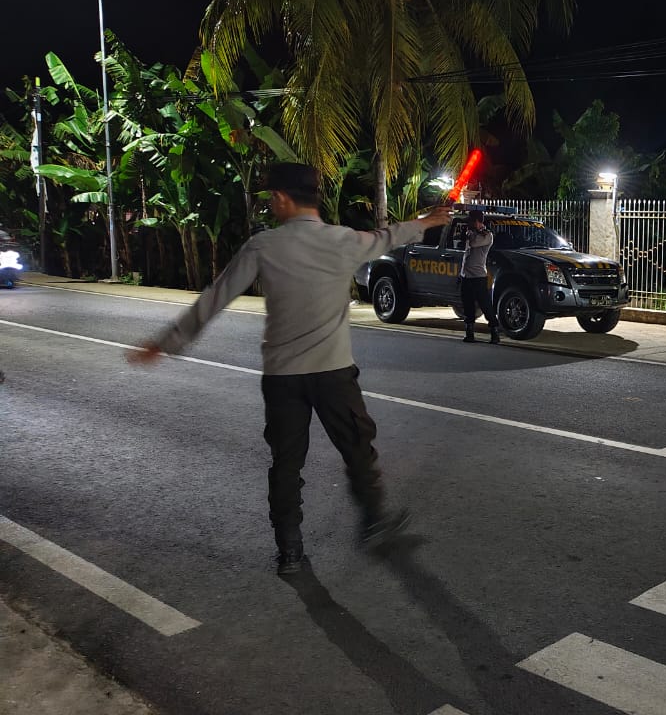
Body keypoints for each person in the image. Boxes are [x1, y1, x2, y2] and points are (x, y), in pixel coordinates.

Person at [127, 163, 453, 575]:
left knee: (286, 464)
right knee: (357, 449)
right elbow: (392, 235)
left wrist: (165, 343)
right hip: (334, 373)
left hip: (282, 379)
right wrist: (429, 220)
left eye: (270, 198)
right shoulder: (345, 241)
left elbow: (215, 298)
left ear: (282, 198)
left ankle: (290, 552)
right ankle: (373, 519)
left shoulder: (263, 246)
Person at [459, 209, 500, 343]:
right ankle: (469, 333)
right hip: (466, 275)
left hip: (478, 276)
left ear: (477, 221)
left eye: (471, 221)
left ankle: (494, 332)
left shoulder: (487, 235)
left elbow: (473, 243)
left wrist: (470, 233)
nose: (469, 224)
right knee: (468, 305)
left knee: (485, 305)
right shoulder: (471, 233)